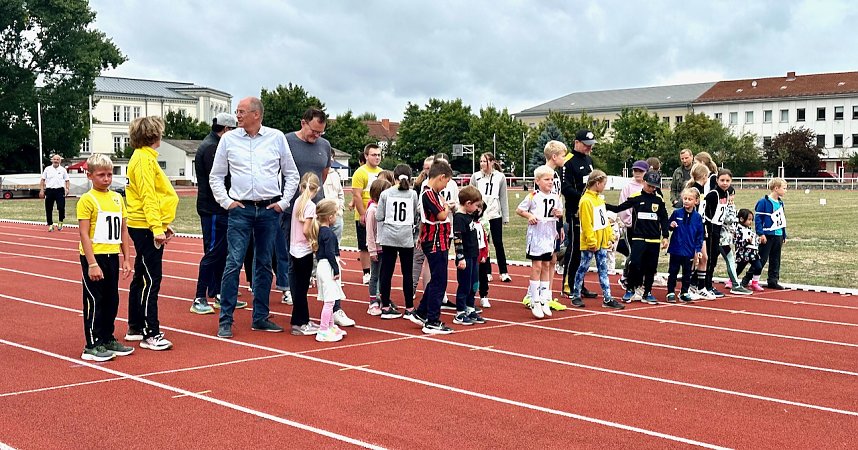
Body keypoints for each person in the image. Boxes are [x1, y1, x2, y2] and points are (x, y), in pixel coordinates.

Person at [209, 96, 300, 339]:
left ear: (256, 115)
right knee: (234, 262)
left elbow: (292, 174)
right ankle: (225, 319)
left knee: (262, 265)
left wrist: (283, 202)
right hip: (240, 210)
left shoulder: (276, 138)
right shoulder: (228, 139)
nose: (237, 116)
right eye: (237, 111)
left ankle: (260, 317)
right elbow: (216, 176)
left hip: (269, 210)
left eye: (241, 112)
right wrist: (227, 202)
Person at [283, 108, 353, 326]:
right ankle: (299, 315)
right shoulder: (286, 142)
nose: (317, 137)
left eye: (321, 133)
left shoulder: (324, 145)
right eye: (314, 131)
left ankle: (335, 309)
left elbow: (322, 174)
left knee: (328, 259)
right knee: (299, 263)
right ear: (303, 123)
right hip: (294, 212)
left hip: (319, 211)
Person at [124, 116, 178, 350]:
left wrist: (163, 222)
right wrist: (157, 228)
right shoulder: (144, 160)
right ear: (155, 135)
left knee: (141, 276)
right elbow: (148, 196)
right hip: (145, 226)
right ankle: (150, 332)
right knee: (150, 278)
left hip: (144, 223)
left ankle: (135, 326)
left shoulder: (142, 158)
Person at [77, 154, 133, 361]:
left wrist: (127, 258)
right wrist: (92, 263)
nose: (107, 179)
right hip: (94, 256)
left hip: (112, 256)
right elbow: (84, 233)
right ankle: (92, 344)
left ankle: (108, 337)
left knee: (112, 299)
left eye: (110, 174)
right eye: (101, 175)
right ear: (90, 175)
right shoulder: (87, 199)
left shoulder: (118, 198)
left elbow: (123, 231)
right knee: (95, 299)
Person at [191, 112, 241, 315]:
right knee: (212, 253)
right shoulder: (212, 147)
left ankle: (219, 293)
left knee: (220, 253)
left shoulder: (212, 144)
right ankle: (199, 297)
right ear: (226, 130)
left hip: (217, 208)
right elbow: (217, 181)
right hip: (213, 209)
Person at [609, 170, 670, 305]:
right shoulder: (636, 197)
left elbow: (664, 218)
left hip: (654, 238)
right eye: (649, 186)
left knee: (651, 267)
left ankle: (647, 291)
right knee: (635, 263)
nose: (651, 189)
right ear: (643, 182)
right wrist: (603, 205)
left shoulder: (658, 199)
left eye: (654, 187)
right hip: (638, 237)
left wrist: (665, 236)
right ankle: (630, 288)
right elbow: (619, 208)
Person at [409, 160, 455, 334]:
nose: (445, 186)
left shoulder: (433, 193)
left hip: (438, 239)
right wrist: (446, 206)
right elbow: (441, 215)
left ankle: (421, 312)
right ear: (441, 177)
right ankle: (432, 319)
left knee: (438, 277)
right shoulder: (428, 194)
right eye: (446, 182)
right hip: (435, 240)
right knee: (440, 280)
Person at [569, 170, 624, 309]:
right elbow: (586, 224)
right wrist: (591, 241)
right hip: (590, 242)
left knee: (603, 269)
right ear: (597, 183)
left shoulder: (599, 199)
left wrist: (610, 235)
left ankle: (607, 298)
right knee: (583, 267)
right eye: (603, 184)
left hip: (602, 242)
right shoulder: (586, 201)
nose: (604, 187)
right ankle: (575, 294)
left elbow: (603, 220)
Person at [517, 165, 564, 319]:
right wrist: (529, 216)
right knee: (536, 266)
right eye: (546, 179)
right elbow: (520, 210)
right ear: (538, 181)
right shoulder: (533, 196)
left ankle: (544, 299)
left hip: (549, 235)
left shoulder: (556, 196)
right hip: (536, 235)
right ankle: (534, 299)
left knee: (546, 265)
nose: (550, 182)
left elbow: (559, 213)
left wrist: (559, 215)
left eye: (552, 179)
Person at [376, 164, 419, 319]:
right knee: (407, 273)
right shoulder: (413, 194)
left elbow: (378, 216)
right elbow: (414, 215)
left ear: (394, 177)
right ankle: (409, 308)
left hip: (389, 236)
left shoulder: (386, 194)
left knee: (386, 271)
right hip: (406, 237)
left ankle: (385, 307)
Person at [561, 129, 598, 302]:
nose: (589, 148)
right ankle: (568, 285)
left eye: (591, 145)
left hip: (588, 212)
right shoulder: (568, 162)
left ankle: (579, 284)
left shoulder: (589, 160)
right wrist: (584, 198)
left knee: (584, 250)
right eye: (586, 145)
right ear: (576, 143)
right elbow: (566, 188)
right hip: (574, 212)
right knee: (575, 249)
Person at [288, 173, 323, 336]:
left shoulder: (297, 202)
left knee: (299, 287)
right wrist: (313, 242)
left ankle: (303, 320)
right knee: (302, 289)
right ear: (316, 190)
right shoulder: (309, 205)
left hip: (294, 249)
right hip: (304, 251)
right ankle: (299, 323)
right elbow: (306, 229)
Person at [469, 152, 510, 282]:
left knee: (498, 243)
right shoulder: (476, 177)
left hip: (495, 214)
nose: (482, 164)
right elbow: (470, 194)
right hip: (481, 216)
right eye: (480, 161)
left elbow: (503, 197)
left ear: (492, 162)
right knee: (484, 244)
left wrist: (505, 217)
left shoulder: (500, 177)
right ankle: (487, 271)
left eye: (485, 161)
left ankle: (504, 272)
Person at [311, 199, 348, 343]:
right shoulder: (328, 234)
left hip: (323, 265)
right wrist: (336, 268)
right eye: (336, 214)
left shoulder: (321, 231)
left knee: (330, 299)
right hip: (327, 266)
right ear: (330, 217)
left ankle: (331, 326)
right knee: (330, 301)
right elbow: (329, 253)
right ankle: (323, 329)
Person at [452, 185, 486, 325]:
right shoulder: (460, 218)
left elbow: (480, 211)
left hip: (473, 255)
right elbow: (457, 238)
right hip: (465, 257)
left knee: (473, 284)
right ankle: (460, 312)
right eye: (476, 205)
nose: (478, 209)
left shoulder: (470, 215)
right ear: (468, 204)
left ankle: (470, 308)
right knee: (464, 284)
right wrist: (460, 257)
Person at [665, 187, 705, 303]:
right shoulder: (677, 213)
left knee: (687, 273)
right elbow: (668, 226)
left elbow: (699, 235)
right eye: (685, 198)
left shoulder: (697, 217)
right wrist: (670, 225)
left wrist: (697, 250)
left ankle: (684, 292)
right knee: (673, 271)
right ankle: (670, 291)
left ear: (696, 201)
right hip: (676, 249)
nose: (687, 201)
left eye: (690, 199)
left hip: (689, 250)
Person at [352, 144, 383, 285]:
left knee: (379, 244)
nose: (377, 157)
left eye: (378, 155)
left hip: (380, 215)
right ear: (366, 156)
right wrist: (363, 214)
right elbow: (357, 195)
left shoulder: (382, 172)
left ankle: (378, 271)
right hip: (364, 214)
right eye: (373, 155)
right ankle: (366, 272)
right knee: (364, 244)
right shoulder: (360, 172)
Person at [701, 168, 734, 298]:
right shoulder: (713, 194)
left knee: (714, 257)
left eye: (727, 180)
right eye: (722, 180)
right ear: (717, 180)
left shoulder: (726, 194)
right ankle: (705, 285)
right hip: (710, 229)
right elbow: (704, 212)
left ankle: (708, 284)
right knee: (709, 257)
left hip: (718, 229)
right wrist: (706, 227)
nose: (725, 183)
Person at [753, 177, 788, 289]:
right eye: (784, 188)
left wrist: (783, 234)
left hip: (778, 235)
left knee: (776, 259)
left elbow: (781, 220)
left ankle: (773, 280)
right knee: (762, 258)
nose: (786, 190)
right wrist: (760, 233)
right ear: (776, 188)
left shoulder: (780, 203)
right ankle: (748, 278)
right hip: (767, 235)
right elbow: (758, 219)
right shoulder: (763, 202)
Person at [364, 178, 390, 316]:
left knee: (383, 274)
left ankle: (382, 297)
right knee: (374, 275)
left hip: (385, 247)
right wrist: (372, 250)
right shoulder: (372, 211)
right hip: (376, 249)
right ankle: (373, 301)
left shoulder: (384, 209)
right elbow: (369, 232)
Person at [735, 208, 765, 292]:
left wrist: (759, 240)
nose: (750, 222)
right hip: (743, 253)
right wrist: (745, 241)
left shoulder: (749, 229)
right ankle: (732, 280)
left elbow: (754, 238)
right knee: (739, 268)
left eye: (752, 220)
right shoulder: (738, 230)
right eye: (749, 220)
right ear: (741, 219)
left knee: (758, 266)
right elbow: (737, 241)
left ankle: (755, 283)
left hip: (752, 252)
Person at [40, 154, 70, 232]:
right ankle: (50, 224)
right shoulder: (47, 169)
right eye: (54, 159)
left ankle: (60, 221)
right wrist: (42, 190)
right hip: (49, 190)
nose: (56, 161)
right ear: (52, 160)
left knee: (61, 207)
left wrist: (67, 188)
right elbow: (42, 180)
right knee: (48, 208)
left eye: (57, 159)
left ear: (60, 161)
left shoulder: (63, 170)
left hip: (59, 190)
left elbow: (67, 180)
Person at [322, 160, 346, 242]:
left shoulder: (335, 175)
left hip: (336, 214)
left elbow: (340, 194)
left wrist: (340, 209)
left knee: (336, 244)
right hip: (322, 216)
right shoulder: (317, 174)